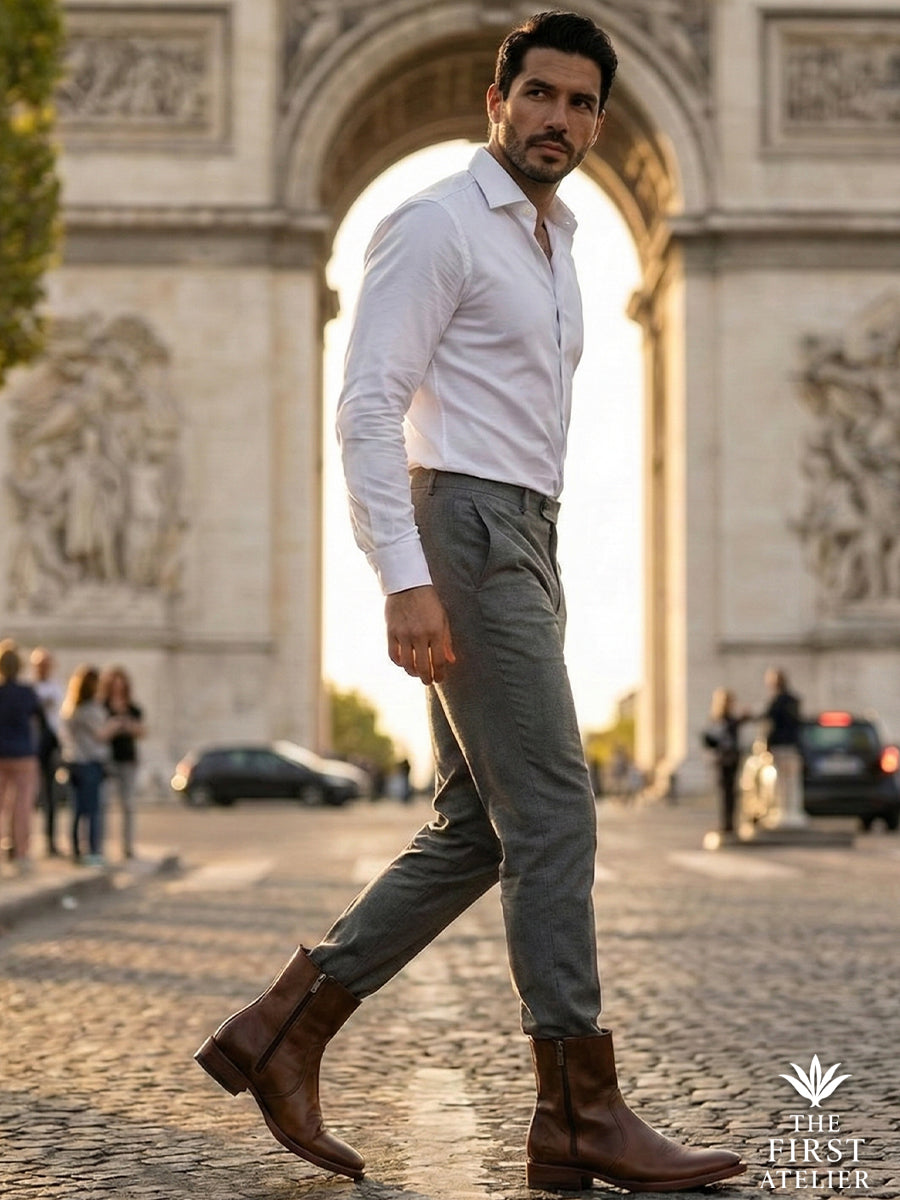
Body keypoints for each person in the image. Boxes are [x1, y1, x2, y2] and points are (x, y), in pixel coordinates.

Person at [194, 12, 745, 1192]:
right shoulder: (437, 223)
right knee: (555, 814)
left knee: (478, 829)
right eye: (539, 94)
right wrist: (404, 579)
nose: (560, 119)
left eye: (583, 103)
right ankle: (578, 1111)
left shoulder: (564, 241)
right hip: (468, 533)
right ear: (496, 97)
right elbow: (367, 407)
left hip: (525, 536)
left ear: (601, 118)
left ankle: (281, 1032)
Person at [58, 665, 121, 867]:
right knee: (93, 810)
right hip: (90, 763)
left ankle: (77, 849)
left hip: (74, 761)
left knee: (78, 809)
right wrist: (116, 724)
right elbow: (101, 736)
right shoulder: (89, 710)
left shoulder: (71, 709)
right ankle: (93, 851)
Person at [0, 640, 42, 872]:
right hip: (23, 754)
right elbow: (40, 721)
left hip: (1, 753)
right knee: (22, 806)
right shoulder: (27, 693)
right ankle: (21, 852)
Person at [98, 665, 145, 859]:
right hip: (108, 759)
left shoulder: (133, 708)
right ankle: (100, 845)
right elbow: (99, 733)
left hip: (127, 759)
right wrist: (113, 727)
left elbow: (142, 731)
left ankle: (128, 846)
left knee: (128, 804)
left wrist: (127, 725)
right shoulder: (101, 707)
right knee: (103, 803)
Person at [30, 647, 65, 857]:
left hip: (50, 744)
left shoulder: (56, 688)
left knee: (51, 793)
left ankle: (50, 840)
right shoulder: (30, 689)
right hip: (31, 746)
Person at [761, 667, 806, 826]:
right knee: (792, 782)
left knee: (781, 782)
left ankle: (785, 812)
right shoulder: (794, 700)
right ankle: (792, 812)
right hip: (792, 746)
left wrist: (766, 745)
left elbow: (769, 724)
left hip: (781, 746)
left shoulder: (777, 701)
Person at [702, 688, 746, 836]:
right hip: (722, 760)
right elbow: (708, 739)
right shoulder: (717, 720)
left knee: (731, 792)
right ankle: (726, 823)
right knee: (725, 792)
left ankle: (730, 823)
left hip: (731, 759)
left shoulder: (730, 719)